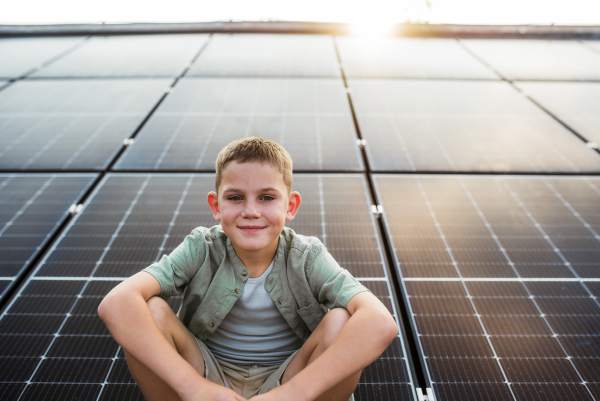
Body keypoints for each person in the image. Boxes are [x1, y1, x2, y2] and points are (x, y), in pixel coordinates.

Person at [98, 137, 398, 401]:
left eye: (267, 197)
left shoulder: (307, 256)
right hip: (205, 376)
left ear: (290, 206)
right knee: (150, 311)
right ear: (216, 206)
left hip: (288, 381)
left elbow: (380, 323)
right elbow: (116, 303)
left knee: (342, 321)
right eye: (235, 197)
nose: (251, 211)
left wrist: (289, 395)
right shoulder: (202, 247)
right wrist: (193, 388)